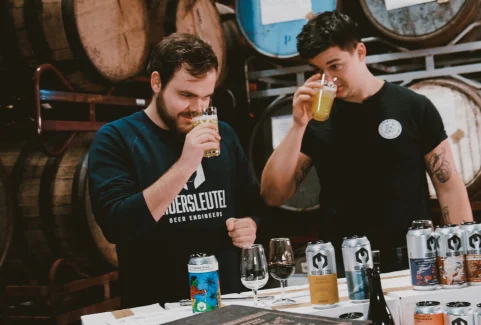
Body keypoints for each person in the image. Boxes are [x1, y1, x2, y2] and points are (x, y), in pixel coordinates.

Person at [260, 12, 473, 272]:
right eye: (319, 71)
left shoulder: (413, 106)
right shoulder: (316, 119)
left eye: (335, 66)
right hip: (344, 265)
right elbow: (273, 195)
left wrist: (465, 258)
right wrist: (297, 125)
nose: (329, 79)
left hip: (413, 259)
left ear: (360, 52)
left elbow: (448, 185)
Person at [88, 33, 261, 308]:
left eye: (206, 96)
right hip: (157, 305)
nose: (198, 108)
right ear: (157, 82)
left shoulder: (224, 134)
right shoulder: (117, 138)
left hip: (228, 298)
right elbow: (117, 225)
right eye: (186, 95)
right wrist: (185, 164)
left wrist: (249, 224)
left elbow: (252, 202)